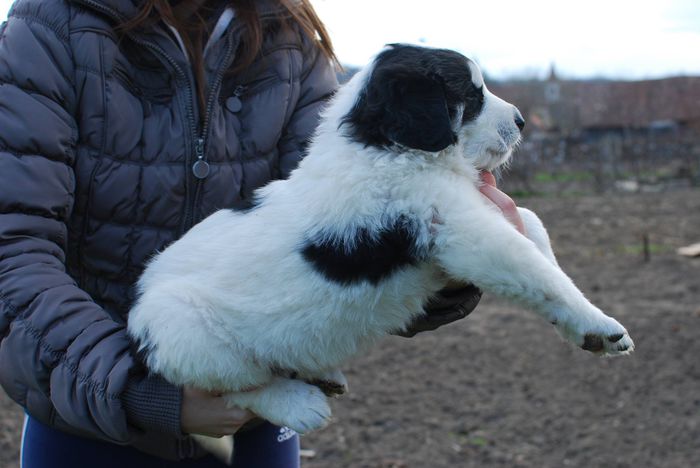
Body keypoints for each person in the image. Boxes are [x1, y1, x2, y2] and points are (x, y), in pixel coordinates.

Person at [0, 0, 524, 466]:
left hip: (256, 420)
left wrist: (448, 259)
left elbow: (347, 232)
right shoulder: (52, 28)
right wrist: (140, 392)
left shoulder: (288, 36)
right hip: (94, 425)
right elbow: (13, 253)